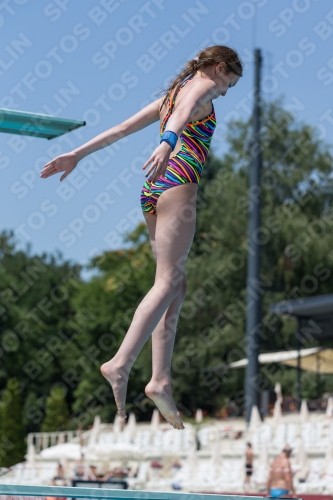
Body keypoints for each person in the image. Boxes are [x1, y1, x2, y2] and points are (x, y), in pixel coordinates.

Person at [40, 45, 242, 430]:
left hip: (152, 191)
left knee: (173, 285)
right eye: (228, 83)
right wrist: (167, 142)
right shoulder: (199, 88)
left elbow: (120, 129)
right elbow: (184, 116)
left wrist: (77, 154)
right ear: (219, 69)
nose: (225, 92)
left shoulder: (171, 93)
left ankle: (160, 380)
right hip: (178, 183)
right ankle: (121, 363)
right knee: (169, 281)